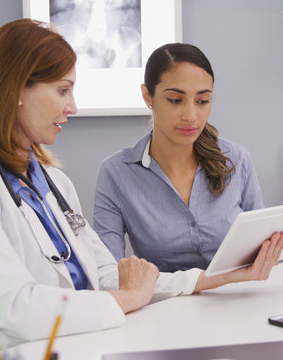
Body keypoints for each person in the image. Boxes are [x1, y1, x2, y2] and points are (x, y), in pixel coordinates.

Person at [0, 19, 283, 360]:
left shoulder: (52, 180)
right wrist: (127, 298)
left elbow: (105, 274)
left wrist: (211, 279)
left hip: (81, 341)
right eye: (62, 90)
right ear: (15, 89)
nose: (73, 107)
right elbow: (15, 310)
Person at [94, 43, 267, 272]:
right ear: (148, 96)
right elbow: (107, 274)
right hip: (162, 304)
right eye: (175, 100)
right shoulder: (116, 173)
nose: (191, 116)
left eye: (202, 101)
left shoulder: (237, 160)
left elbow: (262, 247)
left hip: (236, 300)